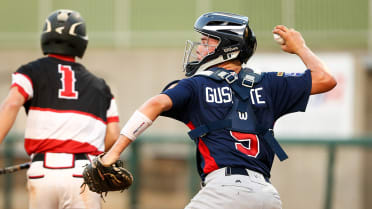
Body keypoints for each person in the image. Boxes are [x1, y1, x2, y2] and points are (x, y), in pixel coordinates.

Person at [100, 12, 337, 209]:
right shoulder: (269, 83)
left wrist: (112, 154)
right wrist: (301, 47)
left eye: (206, 42)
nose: (200, 48)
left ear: (227, 47)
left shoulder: (196, 85)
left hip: (224, 191)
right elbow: (325, 79)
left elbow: (154, 104)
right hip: (267, 196)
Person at [0, 9, 120, 209]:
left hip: (42, 171)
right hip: (83, 173)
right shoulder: (102, 87)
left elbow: (11, 104)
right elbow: (113, 135)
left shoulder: (29, 72)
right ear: (82, 42)